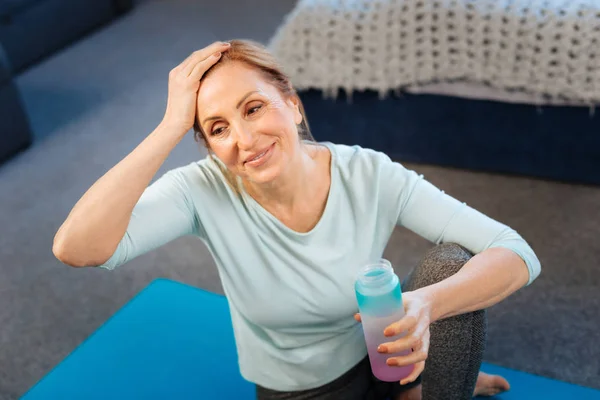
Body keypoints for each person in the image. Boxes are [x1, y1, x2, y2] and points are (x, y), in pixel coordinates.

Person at [53, 39, 541, 400]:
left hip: (388, 356)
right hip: (303, 391)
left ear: (292, 103)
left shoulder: (367, 172)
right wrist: (169, 126)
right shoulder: (200, 188)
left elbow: (515, 251)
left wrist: (427, 308)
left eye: (254, 107)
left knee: (452, 264)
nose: (244, 139)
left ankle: (421, 389)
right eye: (217, 128)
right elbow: (77, 248)